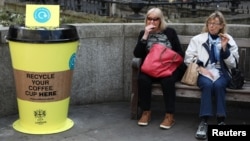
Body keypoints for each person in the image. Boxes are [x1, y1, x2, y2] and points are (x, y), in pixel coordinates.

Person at [184, 11, 239, 139]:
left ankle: (221, 121)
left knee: (219, 85)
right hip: (203, 73)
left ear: (221, 26)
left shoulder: (229, 40)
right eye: (210, 23)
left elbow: (233, 64)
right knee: (207, 85)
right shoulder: (198, 39)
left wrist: (225, 49)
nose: (212, 26)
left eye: (215, 24)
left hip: (222, 72)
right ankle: (204, 121)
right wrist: (201, 68)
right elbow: (188, 58)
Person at [133, 7, 186, 129]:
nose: (152, 22)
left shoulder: (170, 32)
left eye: (155, 19)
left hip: (168, 67)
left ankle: (169, 115)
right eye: (149, 19)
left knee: (168, 81)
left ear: (160, 20)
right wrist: (146, 35)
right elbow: (137, 54)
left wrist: (165, 55)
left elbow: (179, 53)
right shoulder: (143, 34)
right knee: (143, 79)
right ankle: (146, 112)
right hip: (151, 68)